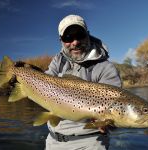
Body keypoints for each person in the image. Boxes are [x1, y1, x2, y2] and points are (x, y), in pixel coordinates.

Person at [44, 14, 122, 150]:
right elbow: (44, 84)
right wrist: (23, 76)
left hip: (90, 142)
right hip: (53, 141)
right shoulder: (58, 61)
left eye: (79, 35)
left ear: (88, 35)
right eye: (68, 38)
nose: (75, 42)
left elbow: (117, 109)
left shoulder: (105, 67)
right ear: (61, 40)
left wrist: (108, 124)